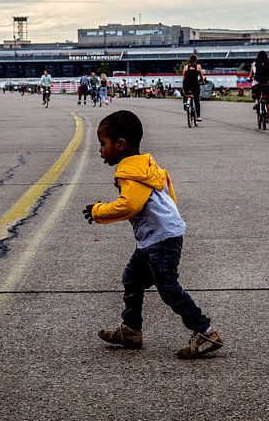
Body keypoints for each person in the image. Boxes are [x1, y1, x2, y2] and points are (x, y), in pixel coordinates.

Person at [82, 110, 223, 359]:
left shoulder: (129, 172)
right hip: (159, 236)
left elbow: (129, 206)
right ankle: (131, 329)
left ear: (121, 145)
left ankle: (205, 331)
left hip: (160, 240)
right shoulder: (144, 163)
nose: (100, 150)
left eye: (103, 144)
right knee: (133, 278)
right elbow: (168, 192)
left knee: (168, 288)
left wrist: (98, 211)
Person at [249, 50, 269, 122]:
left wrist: (250, 78)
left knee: (255, 94)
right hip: (267, 84)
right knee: (268, 103)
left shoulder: (254, 64)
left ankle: (256, 102)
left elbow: (251, 75)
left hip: (257, 83)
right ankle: (267, 118)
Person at [182, 54, 204, 122]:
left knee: (185, 93)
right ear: (196, 60)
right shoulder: (198, 67)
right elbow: (201, 76)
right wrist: (202, 81)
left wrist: (184, 83)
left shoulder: (186, 67)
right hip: (195, 85)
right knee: (196, 100)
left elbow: (184, 78)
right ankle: (198, 117)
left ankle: (185, 103)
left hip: (187, 85)